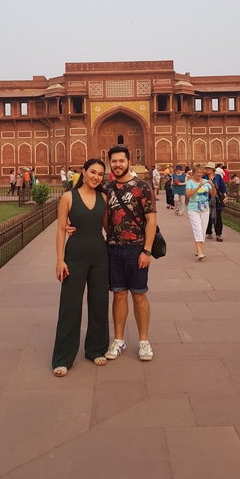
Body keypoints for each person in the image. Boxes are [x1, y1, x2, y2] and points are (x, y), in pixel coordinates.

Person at [52, 159, 109, 377]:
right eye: (92, 172)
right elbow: (60, 230)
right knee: (70, 305)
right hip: (74, 255)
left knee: (98, 303)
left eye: (100, 174)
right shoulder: (69, 197)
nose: (96, 176)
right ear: (83, 172)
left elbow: (107, 228)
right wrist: (60, 260)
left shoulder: (103, 197)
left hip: (99, 255)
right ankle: (63, 357)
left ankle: (96, 349)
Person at [104, 145, 156, 362]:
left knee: (139, 294)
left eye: (121, 161)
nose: (117, 164)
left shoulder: (142, 187)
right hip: (114, 248)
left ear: (129, 163)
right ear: (110, 163)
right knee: (118, 295)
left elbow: (151, 221)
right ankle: (118, 340)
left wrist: (147, 251)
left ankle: (144, 341)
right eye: (113, 161)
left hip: (137, 249)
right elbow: (100, 216)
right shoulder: (106, 189)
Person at [186, 164, 215, 260]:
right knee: (197, 229)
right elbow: (188, 195)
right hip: (193, 208)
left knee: (202, 230)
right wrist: (198, 186)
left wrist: (212, 185)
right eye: (197, 172)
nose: (199, 174)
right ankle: (199, 252)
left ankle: (198, 249)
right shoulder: (190, 182)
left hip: (205, 209)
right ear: (193, 173)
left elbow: (213, 194)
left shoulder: (206, 182)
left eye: (200, 172)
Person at [203, 161, 228, 242]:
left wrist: (225, 196)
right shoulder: (204, 178)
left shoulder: (218, 177)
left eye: (209, 168)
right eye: (207, 168)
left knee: (218, 217)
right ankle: (209, 232)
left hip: (217, 201)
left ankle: (218, 234)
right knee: (208, 217)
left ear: (213, 169)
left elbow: (223, 187)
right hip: (207, 200)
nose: (208, 170)